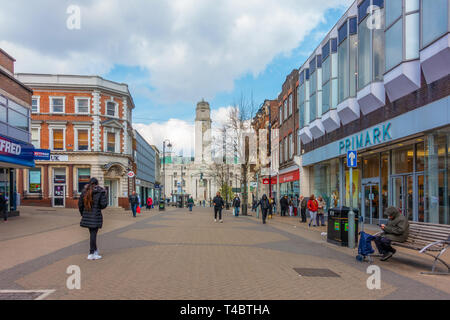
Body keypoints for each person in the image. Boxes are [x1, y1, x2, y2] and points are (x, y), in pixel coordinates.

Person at [78, 178, 108, 260]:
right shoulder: (100, 192)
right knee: (93, 234)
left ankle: (95, 251)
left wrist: (82, 214)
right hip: (96, 216)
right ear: (97, 183)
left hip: (87, 216)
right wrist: (105, 195)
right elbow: (103, 205)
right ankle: (91, 253)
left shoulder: (84, 191)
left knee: (92, 234)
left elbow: (80, 204)